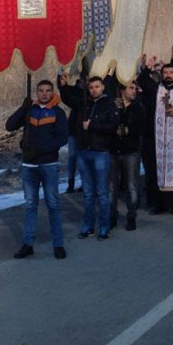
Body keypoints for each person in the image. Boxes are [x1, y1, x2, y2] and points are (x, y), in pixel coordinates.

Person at [5, 80, 69, 260]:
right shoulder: (29, 110)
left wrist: (41, 148)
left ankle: (58, 244)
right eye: (41, 91)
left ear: (52, 92)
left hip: (49, 165)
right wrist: (22, 108)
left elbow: (62, 138)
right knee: (30, 205)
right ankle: (28, 244)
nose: (44, 94)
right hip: (29, 166)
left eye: (48, 90)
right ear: (36, 92)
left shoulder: (58, 112)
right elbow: (9, 126)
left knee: (53, 204)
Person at [60, 74, 119, 240]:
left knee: (101, 192)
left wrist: (92, 125)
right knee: (87, 192)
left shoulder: (109, 104)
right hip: (83, 151)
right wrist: (63, 86)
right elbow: (68, 99)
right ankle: (88, 226)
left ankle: (104, 227)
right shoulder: (83, 103)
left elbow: (112, 126)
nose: (94, 90)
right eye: (91, 87)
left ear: (103, 87)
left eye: (97, 87)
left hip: (101, 152)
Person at [138, 58, 173, 215]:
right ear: (161, 74)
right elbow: (142, 80)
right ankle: (160, 204)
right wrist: (147, 68)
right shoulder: (156, 89)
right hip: (157, 140)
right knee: (158, 171)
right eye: (165, 72)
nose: (168, 75)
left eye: (171, 72)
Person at [109, 81, 144, 231]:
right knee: (112, 186)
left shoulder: (138, 107)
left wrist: (129, 130)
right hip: (114, 150)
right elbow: (108, 124)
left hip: (131, 152)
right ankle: (112, 215)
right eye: (131, 88)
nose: (134, 91)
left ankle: (131, 216)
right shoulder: (114, 106)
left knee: (131, 185)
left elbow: (142, 126)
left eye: (135, 88)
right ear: (122, 90)